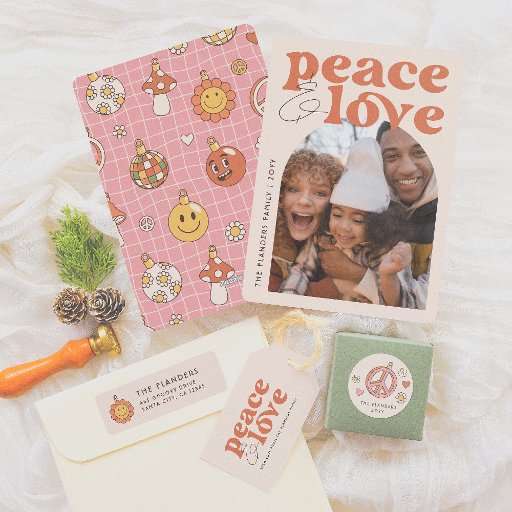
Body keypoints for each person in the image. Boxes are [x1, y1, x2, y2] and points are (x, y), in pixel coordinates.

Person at [283, 138, 416, 306]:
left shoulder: (387, 250)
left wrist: (387, 276)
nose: (344, 227)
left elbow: (403, 305)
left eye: (357, 220)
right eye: (337, 215)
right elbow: (301, 270)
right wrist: (286, 298)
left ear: (378, 224)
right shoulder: (323, 238)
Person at [319, 123, 436, 309]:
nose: (407, 168)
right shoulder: (362, 201)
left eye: (419, 152)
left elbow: (423, 303)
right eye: (392, 156)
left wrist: (356, 273)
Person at [268, 148, 343, 297]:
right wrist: (337, 285)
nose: (304, 201)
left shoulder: (344, 243)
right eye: (293, 189)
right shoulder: (266, 242)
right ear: (280, 194)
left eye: (320, 193)